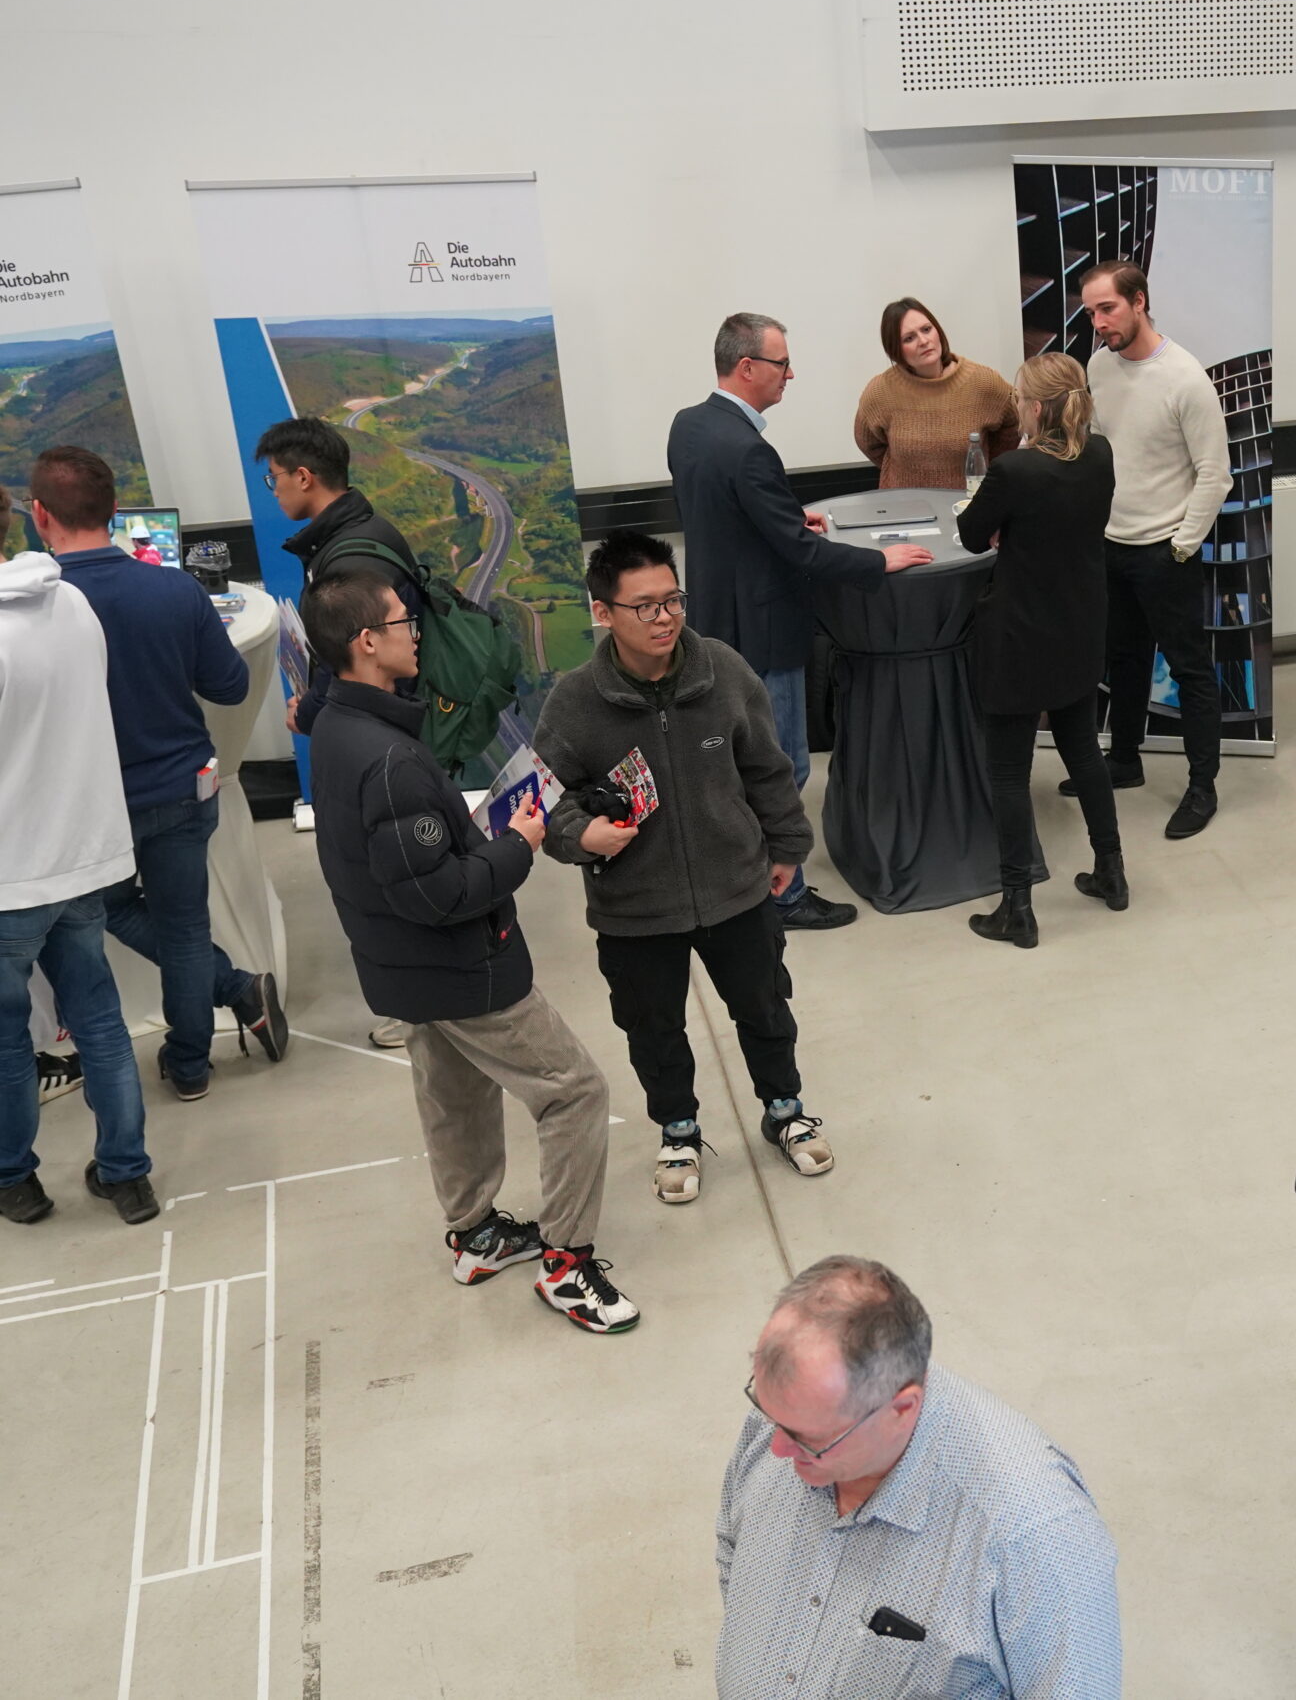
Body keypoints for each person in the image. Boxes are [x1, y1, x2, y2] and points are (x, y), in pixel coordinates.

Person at [301, 572, 635, 1332]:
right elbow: (441, 894)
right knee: (575, 1090)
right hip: (460, 966)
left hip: (398, 966)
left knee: (455, 1094)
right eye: (401, 621)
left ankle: (475, 1231)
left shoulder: (334, 726)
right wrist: (516, 842)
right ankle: (568, 1264)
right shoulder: (391, 760)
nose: (414, 631)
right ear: (366, 642)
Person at [534, 531, 832, 1206]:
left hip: (737, 888)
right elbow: (544, 803)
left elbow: (768, 768)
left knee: (764, 1006)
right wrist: (584, 835)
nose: (664, 617)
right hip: (635, 906)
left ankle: (785, 1108)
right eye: (644, 606)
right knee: (653, 1027)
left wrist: (787, 847)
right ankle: (678, 1129)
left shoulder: (723, 670)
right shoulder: (574, 701)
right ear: (603, 612)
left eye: (673, 600)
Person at [719, 1256, 1120, 1699]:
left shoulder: (1034, 1534)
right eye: (768, 1414)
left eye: (808, 1438)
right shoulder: (794, 1413)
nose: (776, 1447)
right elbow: (733, 1550)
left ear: (902, 1408)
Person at [668, 312, 936, 929]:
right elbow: (802, 554)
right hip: (765, 631)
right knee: (782, 765)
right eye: (782, 363)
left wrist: (787, 515)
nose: (791, 373)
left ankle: (750, 876)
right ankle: (786, 895)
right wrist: (877, 559)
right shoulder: (749, 448)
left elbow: (729, 516)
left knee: (740, 762)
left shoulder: (690, 427)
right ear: (747, 368)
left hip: (716, 622)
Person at [36, 447, 287, 1099]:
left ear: (40, 517)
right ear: (116, 511)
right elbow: (230, 687)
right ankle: (193, 1059)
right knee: (185, 925)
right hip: (183, 786)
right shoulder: (174, 588)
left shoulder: (36, 613)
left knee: (108, 911)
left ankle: (234, 992)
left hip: (94, 806)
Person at [0, 484, 155, 1227]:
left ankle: (13, 1178)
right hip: (82, 852)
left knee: (6, 1042)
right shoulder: (70, 604)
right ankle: (127, 1174)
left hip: (10, 874)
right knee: (99, 1021)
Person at [257, 417, 428, 1051]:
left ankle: (418, 1004)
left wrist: (311, 710)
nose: (273, 490)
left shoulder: (349, 557)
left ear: (305, 476)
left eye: (275, 478)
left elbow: (360, 656)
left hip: (375, 730)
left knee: (392, 871)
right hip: (383, 723)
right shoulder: (361, 533)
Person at [954, 352, 1122, 948]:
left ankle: (1017, 906)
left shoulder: (1016, 471)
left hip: (1020, 638)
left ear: (1036, 406)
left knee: (1008, 771)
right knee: (1083, 752)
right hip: (1078, 628)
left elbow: (972, 533)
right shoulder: (1099, 455)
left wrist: (1003, 524)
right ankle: (1111, 871)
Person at [1076, 261, 1232, 842]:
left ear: (1139, 301)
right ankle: (1125, 760)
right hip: (1110, 544)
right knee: (1124, 661)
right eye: (1091, 312)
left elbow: (1216, 476)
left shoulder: (1186, 378)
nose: (1097, 322)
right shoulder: (1098, 366)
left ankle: (1202, 788)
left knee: (1190, 669)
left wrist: (1181, 548)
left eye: (1107, 308)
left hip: (1165, 552)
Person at [853, 297, 1020, 491]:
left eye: (926, 329)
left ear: (938, 331)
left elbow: (1014, 423)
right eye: (909, 338)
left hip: (968, 504)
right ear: (895, 350)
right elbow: (868, 442)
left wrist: (986, 464)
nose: (923, 341)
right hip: (904, 505)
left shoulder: (983, 382)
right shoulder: (880, 392)